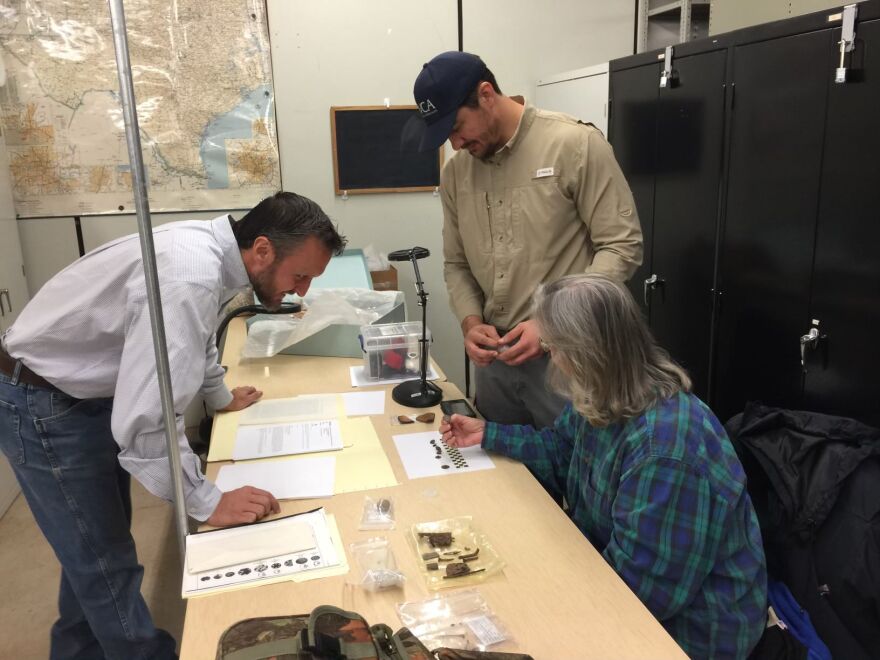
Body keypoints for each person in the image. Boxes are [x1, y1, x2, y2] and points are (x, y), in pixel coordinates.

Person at [0, 191, 346, 659]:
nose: (301, 290)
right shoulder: (189, 275)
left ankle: (76, 651)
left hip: (73, 392)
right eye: (300, 275)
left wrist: (220, 396)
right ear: (262, 249)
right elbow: (147, 422)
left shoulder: (212, 253)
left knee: (89, 545)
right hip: (43, 401)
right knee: (107, 564)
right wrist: (207, 501)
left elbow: (196, 334)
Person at [440, 274, 768, 659]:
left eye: (552, 346)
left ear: (584, 352)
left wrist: (542, 589)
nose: (551, 356)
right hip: (611, 583)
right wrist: (488, 434)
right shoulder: (605, 391)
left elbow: (642, 597)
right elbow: (561, 451)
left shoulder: (664, 451)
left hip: (688, 634)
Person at [412, 51, 643, 428]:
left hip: (569, 357)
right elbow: (457, 264)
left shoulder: (574, 145)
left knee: (571, 471)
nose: (455, 144)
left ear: (486, 94)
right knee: (500, 473)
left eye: (457, 127)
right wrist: (470, 324)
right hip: (495, 365)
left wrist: (552, 325)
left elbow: (622, 246)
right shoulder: (456, 174)